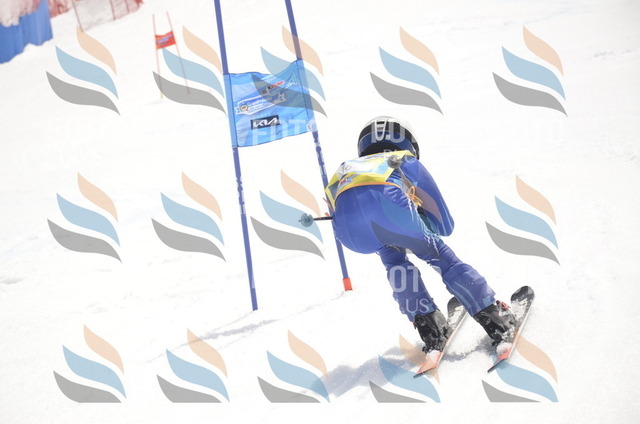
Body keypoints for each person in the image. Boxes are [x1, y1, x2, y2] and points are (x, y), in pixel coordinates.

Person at [325, 116, 515, 353]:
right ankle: (493, 316)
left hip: (351, 234)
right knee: (442, 258)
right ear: (409, 143)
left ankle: (428, 325)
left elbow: (334, 203)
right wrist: (422, 220)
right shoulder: (403, 159)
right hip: (395, 214)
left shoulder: (346, 167)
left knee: (394, 261)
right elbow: (444, 224)